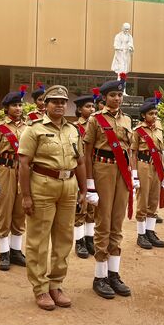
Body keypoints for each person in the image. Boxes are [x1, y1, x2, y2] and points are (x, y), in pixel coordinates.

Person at [18, 85, 87, 310]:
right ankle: (39, 288)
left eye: (62, 101)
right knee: (38, 239)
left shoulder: (73, 130)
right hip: (42, 186)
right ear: (45, 104)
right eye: (54, 101)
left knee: (64, 238)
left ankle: (56, 284)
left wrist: (84, 190)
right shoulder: (33, 129)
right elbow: (24, 164)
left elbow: (81, 162)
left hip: (68, 187)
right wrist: (26, 196)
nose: (59, 104)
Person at [83, 73, 135, 299]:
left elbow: (129, 150)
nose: (117, 99)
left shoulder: (127, 120)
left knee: (117, 222)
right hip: (102, 169)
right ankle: (100, 276)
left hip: (121, 173)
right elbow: (86, 153)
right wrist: (90, 183)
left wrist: (132, 174)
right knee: (103, 222)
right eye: (112, 95)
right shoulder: (95, 120)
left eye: (119, 95)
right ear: (104, 98)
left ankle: (114, 274)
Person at [0, 86, 28, 271]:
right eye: (14, 105)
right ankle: (3, 253)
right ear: (6, 108)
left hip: (24, 171)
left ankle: (16, 251)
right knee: (5, 211)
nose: (18, 108)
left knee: (20, 211)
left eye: (20, 105)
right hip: (6, 170)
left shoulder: (29, 128)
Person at [131, 93, 164, 249]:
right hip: (143, 165)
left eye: (155, 113)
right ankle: (141, 235)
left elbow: (160, 151)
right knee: (143, 201)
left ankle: (150, 232)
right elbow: (132, 153)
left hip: (156, 166)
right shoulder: (138, 131)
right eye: (151, 114)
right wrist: (134, 174)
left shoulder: (158, 130)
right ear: (143, 115)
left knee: (153, 200)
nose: (154, 116)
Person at [72, 91, 97, 258]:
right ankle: (79, 241)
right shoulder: (75, 127)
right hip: (80, 169)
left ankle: (90, 239)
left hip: (96, 167)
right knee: (81, 206)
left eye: (93, 106)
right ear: (80, 109)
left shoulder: (98, 124)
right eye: (88, 106)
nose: (92, 109)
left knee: (93, 207)